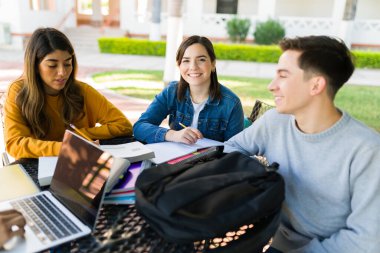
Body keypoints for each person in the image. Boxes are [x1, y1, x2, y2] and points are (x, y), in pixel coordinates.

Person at [224, 35, 380, 253]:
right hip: (276, 243)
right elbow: (230, 149)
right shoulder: (275, 122)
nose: (272, 86)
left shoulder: (367, 150)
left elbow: (366, 240)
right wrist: (259, 175)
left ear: (316, 85)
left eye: (283, 76)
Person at [4, 27, 132, 159]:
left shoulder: (83, 91)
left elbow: (123, 126)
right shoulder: (17, 92)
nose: (62, 73)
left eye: (67, 64)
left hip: (78, 164)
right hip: (36, 165)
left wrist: (78, 136)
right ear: (35, 66)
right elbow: (14, 144)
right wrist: (66, 145)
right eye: (52, 65)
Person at [133, 35, 244, 144]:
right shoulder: (171, 92)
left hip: (212, 162)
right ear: (179, 65)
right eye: (186, 61)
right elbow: (139, 127)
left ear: (213, 64)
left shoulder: (231, 104)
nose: (193, 67)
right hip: (173, 159)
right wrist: (173, 135)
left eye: (201, 59)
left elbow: (234, 151)